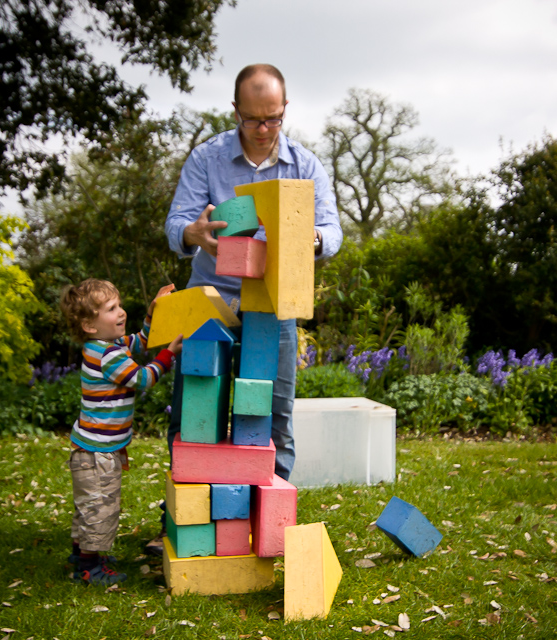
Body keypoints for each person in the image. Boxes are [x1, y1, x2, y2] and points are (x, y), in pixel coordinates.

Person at [164, 63, 343, 479]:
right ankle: (181, 519)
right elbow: (176, 224)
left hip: (275, 303)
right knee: (194, 413)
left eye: (273, 118)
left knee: (273, 418)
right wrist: (194, 233)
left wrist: (310, 237)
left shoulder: (306, 165)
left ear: (285, 109)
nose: (263, 129)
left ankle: (269, 519)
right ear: (234, 111)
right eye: (252, 119)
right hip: (211, 296)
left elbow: (333, 231)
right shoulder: (206, 158)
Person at [60, 278, 182, 585]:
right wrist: (167, 356)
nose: (121, 312)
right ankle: (89, 568)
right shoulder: (108, 355)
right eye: (112, 308)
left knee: (90, 505)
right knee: (100, 507)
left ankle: (83, 554)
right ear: (89, 324)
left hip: (94, 448)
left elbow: (139, 342)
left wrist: (153, 314)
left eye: (119, 305)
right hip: (97, 452)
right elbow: (141, 379)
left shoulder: (108, 346)